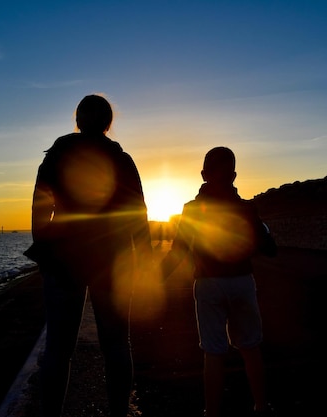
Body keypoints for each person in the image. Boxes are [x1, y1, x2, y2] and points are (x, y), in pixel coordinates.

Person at [25, 94, 152, 417]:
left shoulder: (56, 155)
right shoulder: (120, 158)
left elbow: (40, 208)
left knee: (58, 347)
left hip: (62, 259)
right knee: (116, 345)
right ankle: (118, 412)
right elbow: (137, 213)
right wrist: (145, 261)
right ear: (108, 123)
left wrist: (43, 249)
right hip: (110, 259)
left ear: (78, 121)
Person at [160, 146, 278, 417]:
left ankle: (211, 412)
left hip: (208, 283)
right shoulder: (247, 209)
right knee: (250, 346)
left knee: (213, 352)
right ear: (234, 176)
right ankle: (261, 405)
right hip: (242, 282)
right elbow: (270, 249)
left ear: (203, 174)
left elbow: (179, 250)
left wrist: (155, 278)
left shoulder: (191, 210)